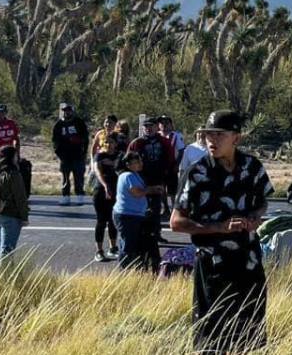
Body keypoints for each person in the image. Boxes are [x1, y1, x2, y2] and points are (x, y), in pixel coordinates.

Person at [171, 110, 273, 354]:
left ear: (236, 138)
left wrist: (255, 217)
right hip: (213, 266)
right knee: (211, 337)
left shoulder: (252, 167)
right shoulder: (197, 173)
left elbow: (263, 201)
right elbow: (176, 222)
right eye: (209, 135)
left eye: (219, 135)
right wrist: (218, 227)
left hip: (248, 262)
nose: (211, 140)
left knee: (249, 335)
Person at [114, 151, 164, 272]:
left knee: (134, 243)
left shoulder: (134, 174)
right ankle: (123, 269)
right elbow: (136, 192)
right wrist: (152, 189)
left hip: (134, 214)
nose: (141, 163)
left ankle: (132, 268)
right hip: (127, 215)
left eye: (140, 161)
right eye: (137, 162)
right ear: (128, 164)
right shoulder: (128, 176)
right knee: (128, 244)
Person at [127, 117, 173, 242]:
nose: (148, 128)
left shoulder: (164, 141)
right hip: (141, 179)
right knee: (141, 208)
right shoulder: (137, 143)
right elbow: (127, 160)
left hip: (157, 178)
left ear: (157, 127)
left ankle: (156, 234)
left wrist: (166, 173)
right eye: (146, 126)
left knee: (156, 208)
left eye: (151, 126)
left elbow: (170, 158)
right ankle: (141, 234)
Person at [0, 145, 29, 267]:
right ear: (12, 157)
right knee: (7, 249)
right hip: (9, 214)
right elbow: (20, 198)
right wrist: (24, 217)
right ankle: (5, 275)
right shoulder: (13, 174)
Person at [92, 129, 123, 262]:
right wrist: (105, 186)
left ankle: (113, 248)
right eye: (106, 142)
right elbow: (97, 171)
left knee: (112, 221)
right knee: (101, 221)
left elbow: (122, 169)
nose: (109, 145)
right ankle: (99, 251)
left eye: (111, 142)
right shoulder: (99, 156)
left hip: (116, 191)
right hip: (100, 191)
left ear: (116, 143)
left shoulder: (120, 155)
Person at [52, 102, 89, 206]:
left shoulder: (79, 122)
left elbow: (85, 138)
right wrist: (58, 152)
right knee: (65, 177)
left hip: (78, 155)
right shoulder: (59, 124)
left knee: (78, 176)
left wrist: (84, 151)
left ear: (72, 111)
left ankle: (80, 195)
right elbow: (55, 140)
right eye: (65, 111)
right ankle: (65, 196)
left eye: (69, 110)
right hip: (65, 156)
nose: (67, 112)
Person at [158, 115, 185, 215]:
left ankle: (174, 209)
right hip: (160, 166)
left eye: (166, 123)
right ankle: (165, 208)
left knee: (172, 190)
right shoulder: (157, 135)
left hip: (171, 166)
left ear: (170, 124)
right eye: (162, 123)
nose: (164, 125)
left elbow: (181, 150)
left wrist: (177, 165)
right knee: (161, 188)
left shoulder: (176, 135)